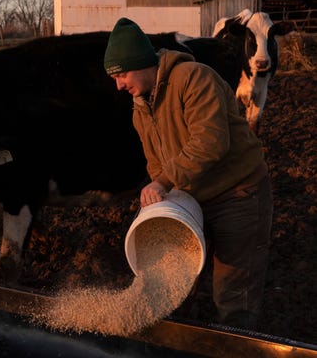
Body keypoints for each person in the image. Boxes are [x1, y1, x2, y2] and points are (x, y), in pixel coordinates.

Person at [103, 17, 274, 329]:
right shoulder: (141, 108)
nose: (118, 84)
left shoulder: (193, 78)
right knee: (178, 280)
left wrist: (163, 182)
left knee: (234, 286)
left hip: (238, 191)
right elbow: (156, 164)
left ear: (141, 63)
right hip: (196, 195)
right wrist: (162, 198)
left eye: (121, 74)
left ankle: (238, 342)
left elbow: (211, 142)